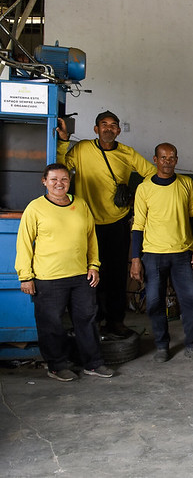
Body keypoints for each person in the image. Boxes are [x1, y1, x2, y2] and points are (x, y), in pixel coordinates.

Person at [56, 111, 157, 338]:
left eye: (113, 125)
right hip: (87, 224)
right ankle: (90, 322)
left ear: (118, 131)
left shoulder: (127, 153)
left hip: (117, 223)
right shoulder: (82, 149)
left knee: (115, 276)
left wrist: (135, 197)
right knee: (87, 276)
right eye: (104, 125)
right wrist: (63, 141)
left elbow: (152, 175)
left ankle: (115, 322)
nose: (109, 129)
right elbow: (61, 166)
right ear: (96, 129)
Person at [15, 163, 114, 381]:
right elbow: (23, 243)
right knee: (52, 324)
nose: (59, 183)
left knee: (86, 320)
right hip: (48, 278)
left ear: (69, 182)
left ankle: (93, 363)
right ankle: (57, 365)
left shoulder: (80, 204)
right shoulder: (35, 208)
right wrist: (25, 276)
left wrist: (93, 265)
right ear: (44, 181)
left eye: (64, 179)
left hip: (80, 276)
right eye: (53, 179)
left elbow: (91, 238)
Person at [130, 143, 193, 363]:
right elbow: (138, 226)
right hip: (152, 255)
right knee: (155, 302)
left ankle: (192, 345)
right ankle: (162, 346)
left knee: (190, 301)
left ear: (176, 159)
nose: (167, 161)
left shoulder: (186, 183)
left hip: (182, 254)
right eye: (163, 157)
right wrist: (136, 258)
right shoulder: (144, 188)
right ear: (155, 159)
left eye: (171, 157)